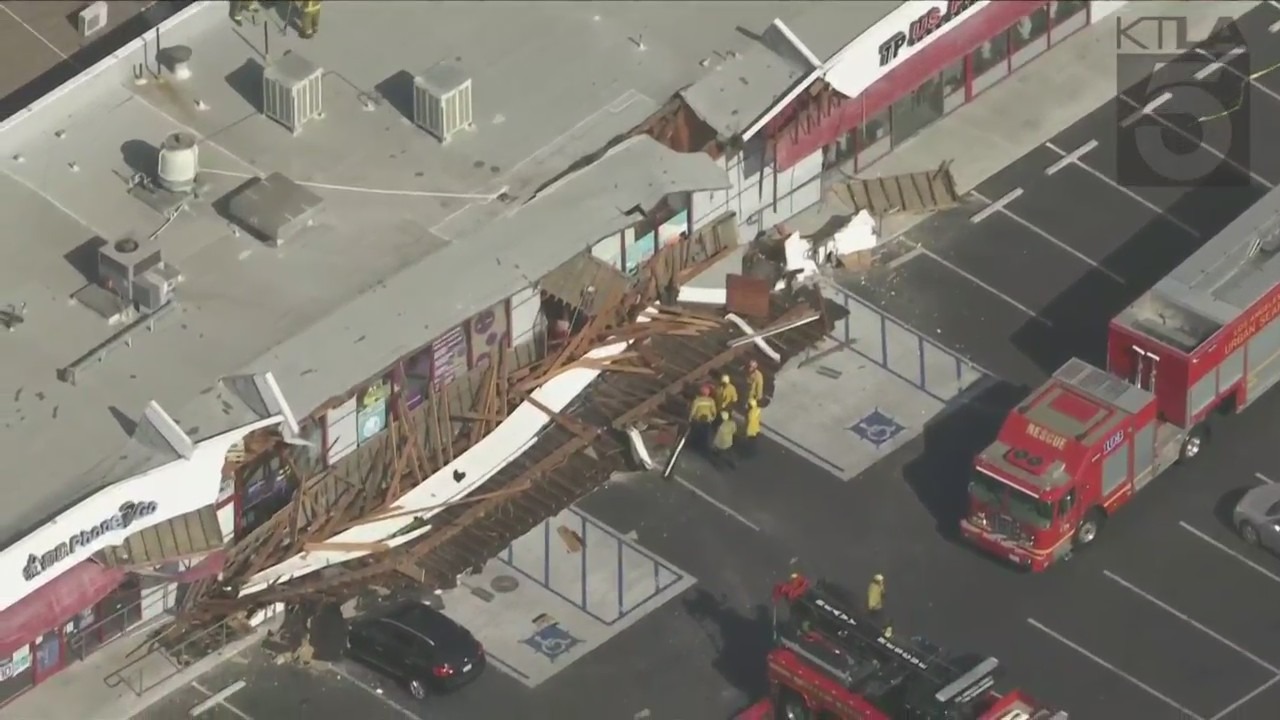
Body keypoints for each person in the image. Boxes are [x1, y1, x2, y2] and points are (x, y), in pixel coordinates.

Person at [688, 385, 717, 451]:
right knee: (705, 435)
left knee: (696, 433)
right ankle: (703, 447)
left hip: (698, 420)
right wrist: (712, 418)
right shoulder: (711, 401)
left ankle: (694, 446)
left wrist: (690, 418)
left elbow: (693, 411)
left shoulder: (697, 401)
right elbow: (714, 412)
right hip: (707, 420)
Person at [867, 574, 892, 638]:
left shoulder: (880, 586)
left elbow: (883, 594)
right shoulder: (873, 587)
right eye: (881, 581)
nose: (882, 582)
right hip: (874, 608)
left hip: (876, 608)